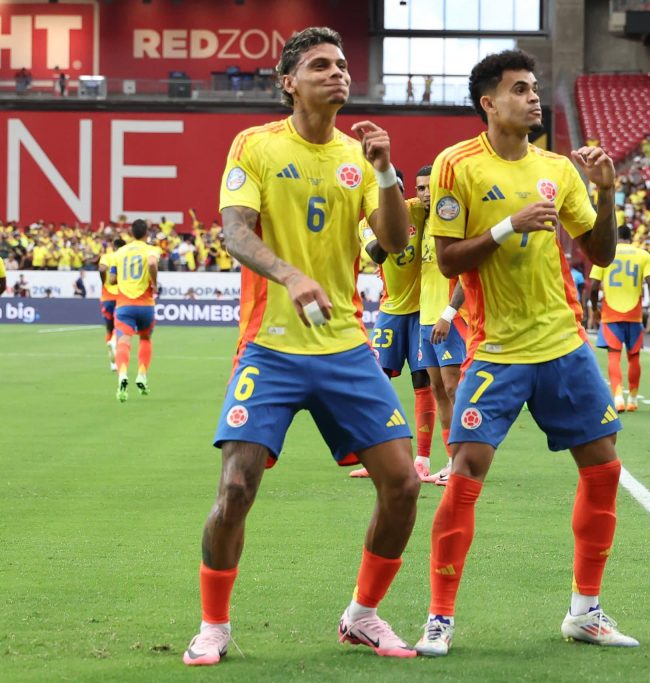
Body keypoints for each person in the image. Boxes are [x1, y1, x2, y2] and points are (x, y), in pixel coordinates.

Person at [182, 27, 420, 666]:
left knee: (402, 484)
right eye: (320, 65)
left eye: (342, 65)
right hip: (271, 347)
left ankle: (363, 616)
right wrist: (289, 274)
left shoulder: (357, 157)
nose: (337, 73)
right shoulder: (254, 145)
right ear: (288, 82)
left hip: (346, 346)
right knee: (235, 488)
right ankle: (214, 625)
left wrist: (386, 171)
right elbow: (234, 232)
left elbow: (397, 243)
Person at [414, 49, 638, 657]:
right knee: (465, 474)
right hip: (497, 351)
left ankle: (585, 612)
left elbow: (602, 254)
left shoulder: (557, 169)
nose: (534, 98)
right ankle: (439, 618)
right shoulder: (455, 166)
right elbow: (447, 258)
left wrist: (605, 191)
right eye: (520, 89)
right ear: (489, 103)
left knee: (604, 469)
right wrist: (509, 226)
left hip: (563, 345)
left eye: (535, 88)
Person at [347, 168, 442, 483]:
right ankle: (380, 456)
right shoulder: (366, 225)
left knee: (423, 383)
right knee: (376, 383)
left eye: (395, 188)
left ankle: (422, 460)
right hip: (391, 309)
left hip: (423, 310)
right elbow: (376, 252)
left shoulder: (418, 208)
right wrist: (389, 231)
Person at [416, 164, 467, 487]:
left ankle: (464, 461)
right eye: (419, 189)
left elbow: (467, 274)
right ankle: (451, 461)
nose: (424, 194)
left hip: (449, 320)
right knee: (438, 391)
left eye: (428, 187)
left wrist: (448, 314)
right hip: (424, 320)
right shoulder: (422, 224)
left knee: (454, 389)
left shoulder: (452, 223)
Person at [589, 224, 650, 412]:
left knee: (614, 355)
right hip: (634, 314)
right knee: (634, 356)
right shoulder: (643, 255)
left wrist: (594, 308)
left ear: (615, 237)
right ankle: (633, 399)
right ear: (631, 237)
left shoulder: (603, 254)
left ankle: (617, 397)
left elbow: (594, 286)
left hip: (611, 313)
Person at [109, 221, 159, 401]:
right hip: (146, 305)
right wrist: (155, 283)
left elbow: (112, 279)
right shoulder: (151, 250)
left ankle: (122, 374)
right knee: (145, 338)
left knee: (123, 340)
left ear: (131, 233)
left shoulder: (119, 252)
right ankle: (142, 375)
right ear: (147, 232)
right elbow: (152, 263)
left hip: (124, 305)